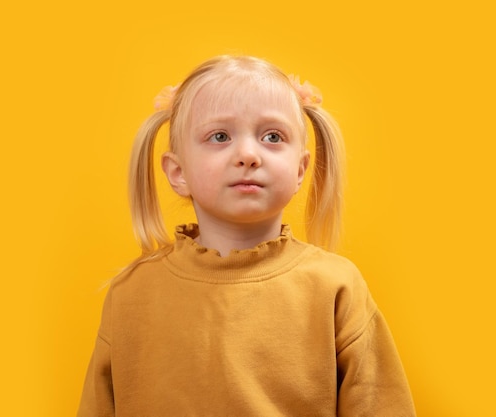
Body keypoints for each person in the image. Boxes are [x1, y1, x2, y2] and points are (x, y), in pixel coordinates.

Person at [77, 55, 416, 416]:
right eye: (219, 136)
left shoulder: (335, 286)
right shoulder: (131, 293)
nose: (248, 155)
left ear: (300, 169)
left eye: (272, 136)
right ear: (178, 173)